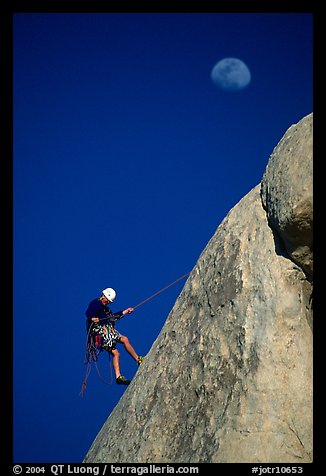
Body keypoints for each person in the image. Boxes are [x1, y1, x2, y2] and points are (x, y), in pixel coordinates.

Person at [85, 287, 143, 385]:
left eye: (109, 302)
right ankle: (120, 375)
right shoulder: (96, 303)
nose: (107, 303)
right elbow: (89, 313)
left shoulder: (105, 309)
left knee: (124, 341)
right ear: (103, 296)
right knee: (117, 351)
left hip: (108, 331)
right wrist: (92, 318)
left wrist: (125, 311)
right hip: (101, 333)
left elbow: (112, 317)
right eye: (107, 300)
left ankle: (136, 361)